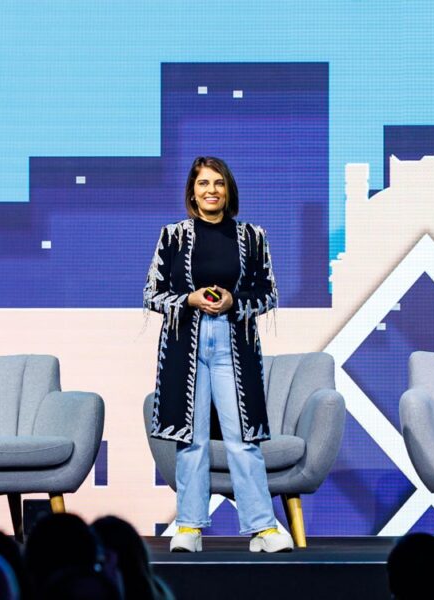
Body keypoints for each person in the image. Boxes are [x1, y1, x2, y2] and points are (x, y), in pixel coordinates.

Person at [143, 156, 290, 553]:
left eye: (218, 183)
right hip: (185, 346)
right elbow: (151, 295)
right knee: (191, 439)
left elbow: (268, 293)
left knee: (243, 438)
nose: (211, 190)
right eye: (203, 183)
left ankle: (263, 528)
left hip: (233, 343)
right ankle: (189, 528)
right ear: (192, 191)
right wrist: (188, 298)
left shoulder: (252, 237)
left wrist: (233, 301)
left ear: (228, 190)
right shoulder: (172, 236)